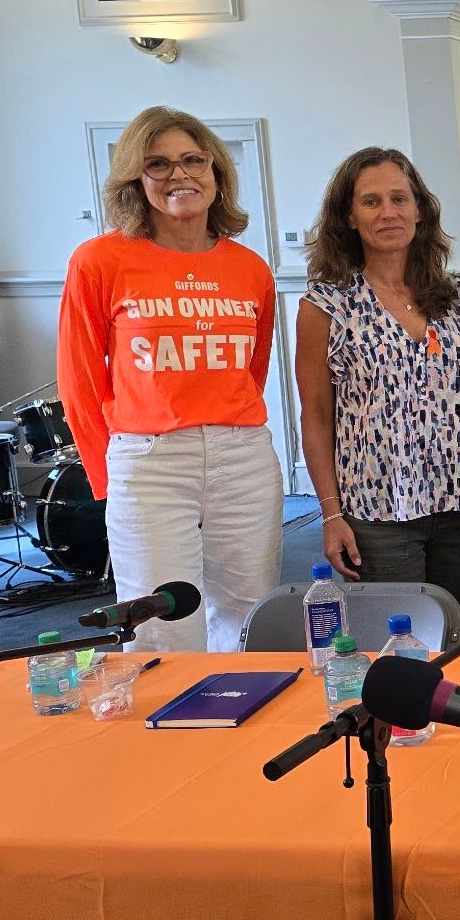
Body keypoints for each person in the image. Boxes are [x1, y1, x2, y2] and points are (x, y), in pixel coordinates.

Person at [58, 106, 281, 652]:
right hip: (150, 459)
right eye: (157, 164)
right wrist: (108, 481)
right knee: (161, 620)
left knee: (251, 611)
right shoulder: (100, 260)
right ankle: (173, 736)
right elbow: (80, 381)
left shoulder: (250, 268)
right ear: (136, 178)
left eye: (192, 160)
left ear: (216, 171)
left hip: (244, 456)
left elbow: (252, 369)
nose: (179, 174)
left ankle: (245, 732)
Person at [296, 147, 460, 629]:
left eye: (399, 198)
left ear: (419, 209)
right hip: (376, 511)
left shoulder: (457, 298)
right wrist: (329, 513)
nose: (388, 212)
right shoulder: (326, 304)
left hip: (459, 504)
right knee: (395, 648)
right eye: (371, 201)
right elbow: (316, 415)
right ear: (348, 216)